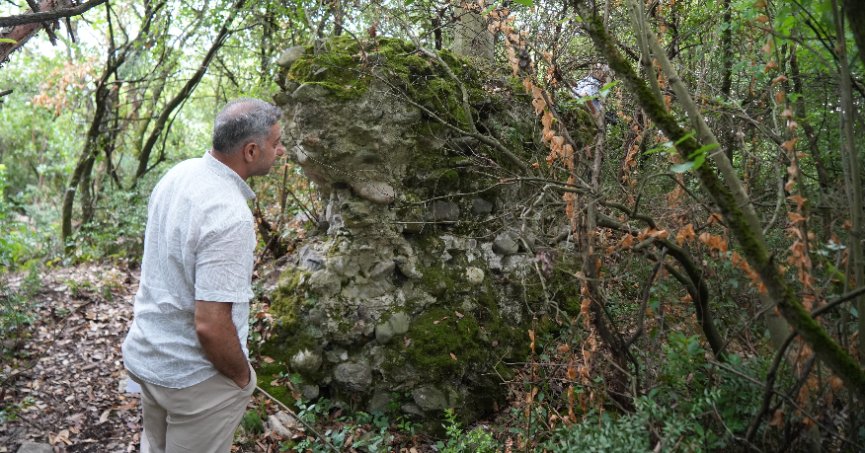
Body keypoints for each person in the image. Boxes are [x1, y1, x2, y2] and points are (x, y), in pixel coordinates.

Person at [122, 98, 286, 452]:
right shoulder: (229, 215)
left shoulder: (178, 174)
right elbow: (211, 325)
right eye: (276, 143)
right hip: (193, 378)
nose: (281, 151)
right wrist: (242, 378)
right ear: (251, 151)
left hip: (150, 356)